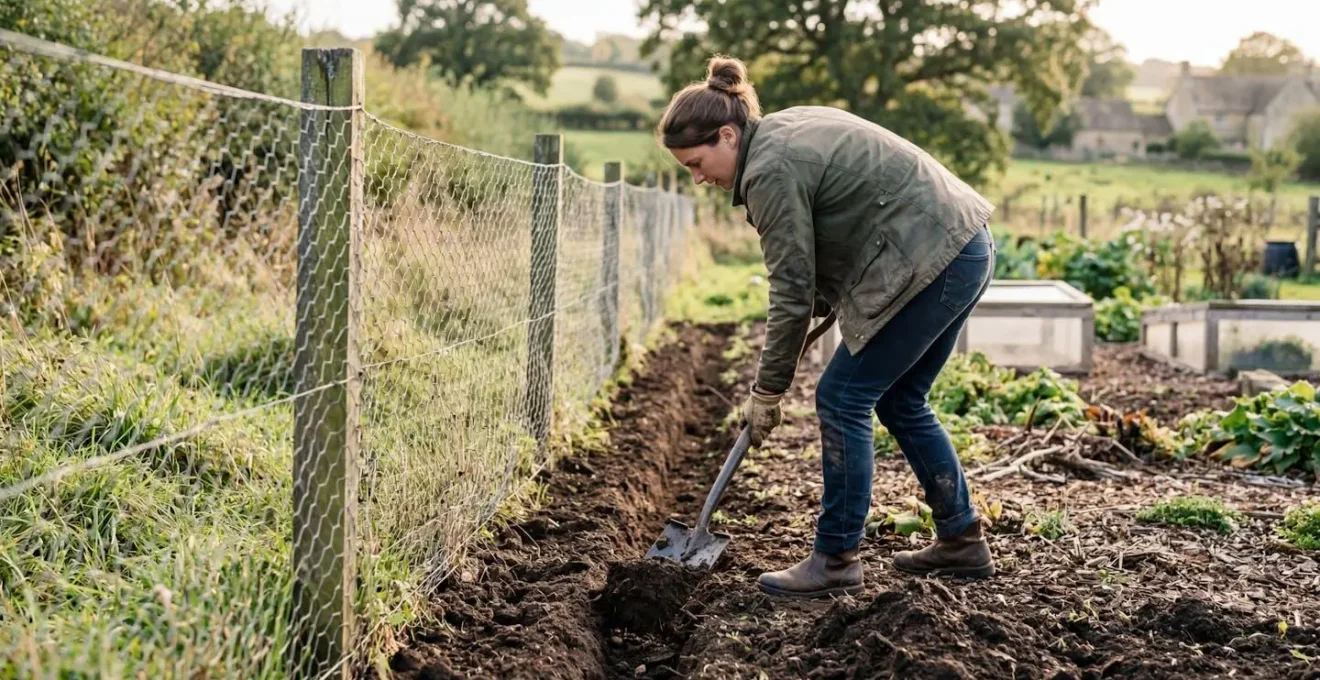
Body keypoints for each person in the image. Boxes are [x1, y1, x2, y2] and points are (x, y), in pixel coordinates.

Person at [656, 55, 997, 598]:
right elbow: (835, 229)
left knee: (841, 398)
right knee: (901, 400)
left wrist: (767, 390)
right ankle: (961, 539)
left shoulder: (768, 171)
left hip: (934, 257)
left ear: (727, 135)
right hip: (964, 245)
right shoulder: (780, 132)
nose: (698, 179)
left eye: (697, 163)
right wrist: (820, 300)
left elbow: (790, 289)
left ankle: (836, 557)